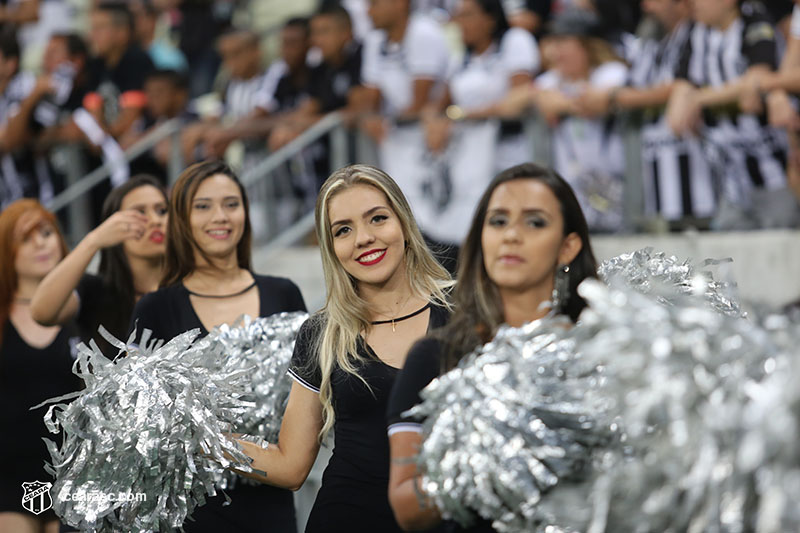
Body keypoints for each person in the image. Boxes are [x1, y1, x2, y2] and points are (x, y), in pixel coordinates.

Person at [232, 164, 452, 532]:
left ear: (404, 224)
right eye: (343, 230)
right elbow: (290, 466)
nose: (363, 238)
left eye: (377, 219)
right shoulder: (321, 333)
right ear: (331, 248)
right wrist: (202, 439)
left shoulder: (466, 311)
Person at [386, 162, 598, 531]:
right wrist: (498, 453)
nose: (511, 235)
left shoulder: (601, 352)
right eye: (498, 221)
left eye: (534, 222)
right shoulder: (434, 356)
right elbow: (407, 507)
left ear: (568, 246)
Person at [129, 160, 306, 533]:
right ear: (182, 219)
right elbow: (142, 425)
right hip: (191, 512)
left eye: (231, 203)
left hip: (271, 501)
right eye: (203, 206)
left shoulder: (284, 292)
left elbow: (307, 399)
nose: (220, 217)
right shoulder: (156, 308)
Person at [419, 0, 540, 273]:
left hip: (508, 152)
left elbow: (520, 97)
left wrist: (464, 115)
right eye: (458, 16)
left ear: (490, 18)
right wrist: (433, 122)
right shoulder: (460, 58)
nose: (460, 22)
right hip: (468, 159)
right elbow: (436, 105)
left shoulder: (515, 41)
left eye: (468, 15)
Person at [578, 0, 716, 227]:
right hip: (655, 161)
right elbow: (633, 85)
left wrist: (614, 97)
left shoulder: (698, 34)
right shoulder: (652, 41)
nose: (647, 7)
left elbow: (685, 84)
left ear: (681, 4)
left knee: (702, 234)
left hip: (696, 162)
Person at [666, 0, 796, 229]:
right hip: (730, 176)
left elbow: (754, 86)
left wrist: (699, 99)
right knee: (728, 248)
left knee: (782, 234)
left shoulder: (754, 21)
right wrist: (685, 99)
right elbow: (679, 99)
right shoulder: (695, 31)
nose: (692, 3)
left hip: (772, 169)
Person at [0, 199, 81, 533]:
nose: (40, 243)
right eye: (26, 237)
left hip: (74, 472)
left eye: (46, 232)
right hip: (8, 472)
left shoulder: (85, 307)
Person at [31, 175, 167, 356]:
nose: (155, 220)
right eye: (140, 212)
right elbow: (42, 312)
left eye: (162, 211)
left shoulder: (188, 288)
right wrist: (93, 241)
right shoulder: (95, 290)